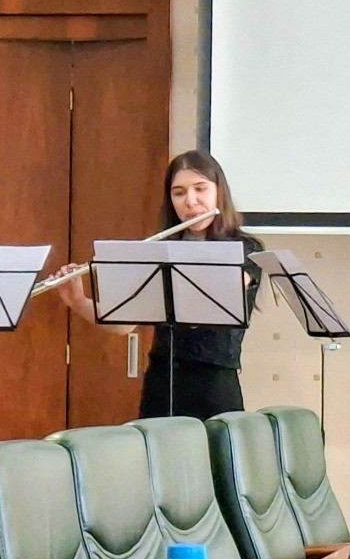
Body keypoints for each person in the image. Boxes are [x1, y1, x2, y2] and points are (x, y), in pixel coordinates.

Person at [56, 150, 263, 420]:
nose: (190, 201)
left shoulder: (245, 250)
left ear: (219, 192)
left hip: (214, 386)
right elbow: (124, 325)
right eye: (179, 193)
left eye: (200, 189)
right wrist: (79, 301)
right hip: (161, 383)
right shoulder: (160, 249)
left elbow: (213, 300)